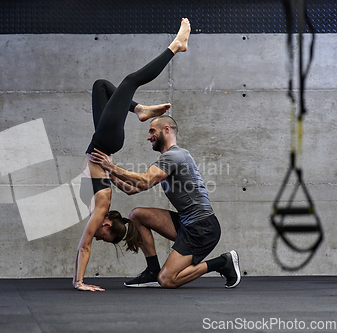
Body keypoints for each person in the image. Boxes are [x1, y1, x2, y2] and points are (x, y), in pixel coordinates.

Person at [73, 18, 191, 291]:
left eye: (100, 237)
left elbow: (119, 189)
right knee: (130, 80)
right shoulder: (100, 208)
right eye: (104, 235)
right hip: (105, 142)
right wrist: (78, 281)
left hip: (102, 144)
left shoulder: (99, 204)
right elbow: (84, 245)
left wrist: (108, 169)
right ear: (106, 223)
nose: (97, 236)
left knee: (101, 86)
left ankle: (139, 109)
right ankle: (176, 46)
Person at [90, 116, 241, 289]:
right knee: (137, 215)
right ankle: (153, 271)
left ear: (167, 129)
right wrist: (108, 174)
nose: (148, 137)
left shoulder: (176, 155)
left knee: (167, 280)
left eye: (152, 131)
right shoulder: (169, 158)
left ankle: (223, 262)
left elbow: (144, 181)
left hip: (202, 228)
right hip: (186, 223)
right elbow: (132, 189)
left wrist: (111, 167)